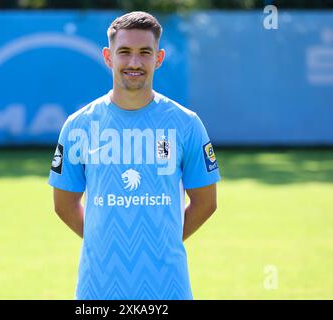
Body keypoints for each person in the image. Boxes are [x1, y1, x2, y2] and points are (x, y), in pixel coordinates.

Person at [48, 11, 220, 300]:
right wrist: (103, 243)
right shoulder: (79, 126)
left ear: (159, 58)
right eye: (124, 52)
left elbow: (206, 203)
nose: (134, 62)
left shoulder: (186, 124)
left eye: (145, 53)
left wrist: (162, 245)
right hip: (98, 291)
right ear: (108, 56)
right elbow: (64, 204)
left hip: (169, 289)